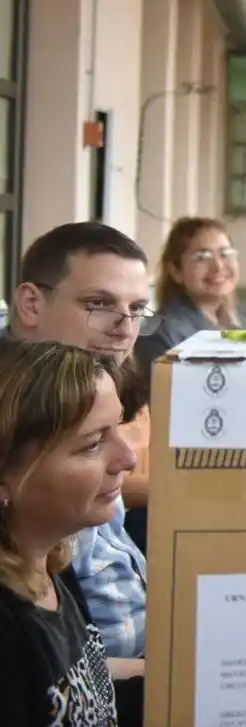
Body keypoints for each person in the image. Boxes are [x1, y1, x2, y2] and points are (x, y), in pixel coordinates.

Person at [4, 223, 151, 696]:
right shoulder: (18, 411)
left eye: (137, 310)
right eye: (98, 304)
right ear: (30, 304)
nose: (124, 327)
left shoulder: (97, 388)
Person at [0, 340, 141, 726]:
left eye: (118, 428)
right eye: (93, 444)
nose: (129, 458)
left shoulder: (53, 559)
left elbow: (95, 703)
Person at [131, 216, 246, 553]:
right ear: (175, 270)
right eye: (201, 256)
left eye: (226, 252)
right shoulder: (162, 331)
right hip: (184, 473)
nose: (218, 265)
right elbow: (168, 416)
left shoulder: (239, 318)